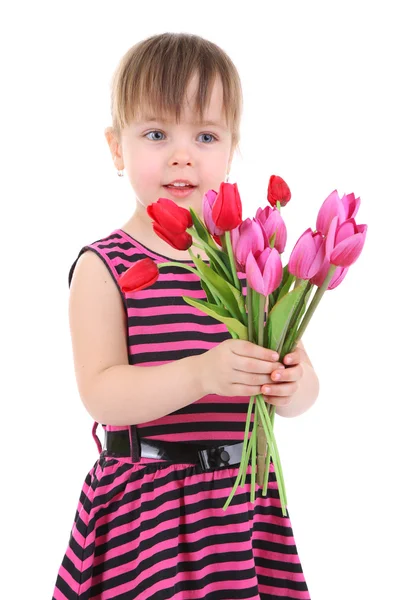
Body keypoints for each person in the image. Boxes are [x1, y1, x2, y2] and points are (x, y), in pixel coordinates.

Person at [52, 32, 319, 600]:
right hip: (148, 513)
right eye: (156, 134)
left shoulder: (249, 262)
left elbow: (300, 396)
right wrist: (202, 375)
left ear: (230, 148)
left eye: (205, 135)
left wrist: (291, 382)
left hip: (241, 507)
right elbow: (102, 393)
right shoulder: (105, 266)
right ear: (116, 148)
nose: (183, 155)